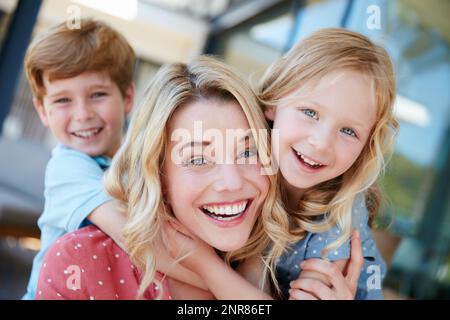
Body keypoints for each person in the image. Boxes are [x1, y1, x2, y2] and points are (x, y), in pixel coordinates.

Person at [35, 56, 363, 300]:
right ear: (157, 173)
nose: (232, 181)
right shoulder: (82, 262)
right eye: (197, 159)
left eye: (248, 153)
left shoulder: (288, 279)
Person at [258, 28, 399, 299]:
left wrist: (203, 265)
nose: (321, 143)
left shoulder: (343, 217)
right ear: (274, 102)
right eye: (310, 112)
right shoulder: (239, 167)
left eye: (348, 131)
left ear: (365, 148)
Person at [23, 18, 135, 299]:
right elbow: (135, 236)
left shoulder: (138, 161)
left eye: (97, 95)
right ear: (43, 111)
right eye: (63, 100)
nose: (83, 114)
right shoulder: (67, 166)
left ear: (128, 97)